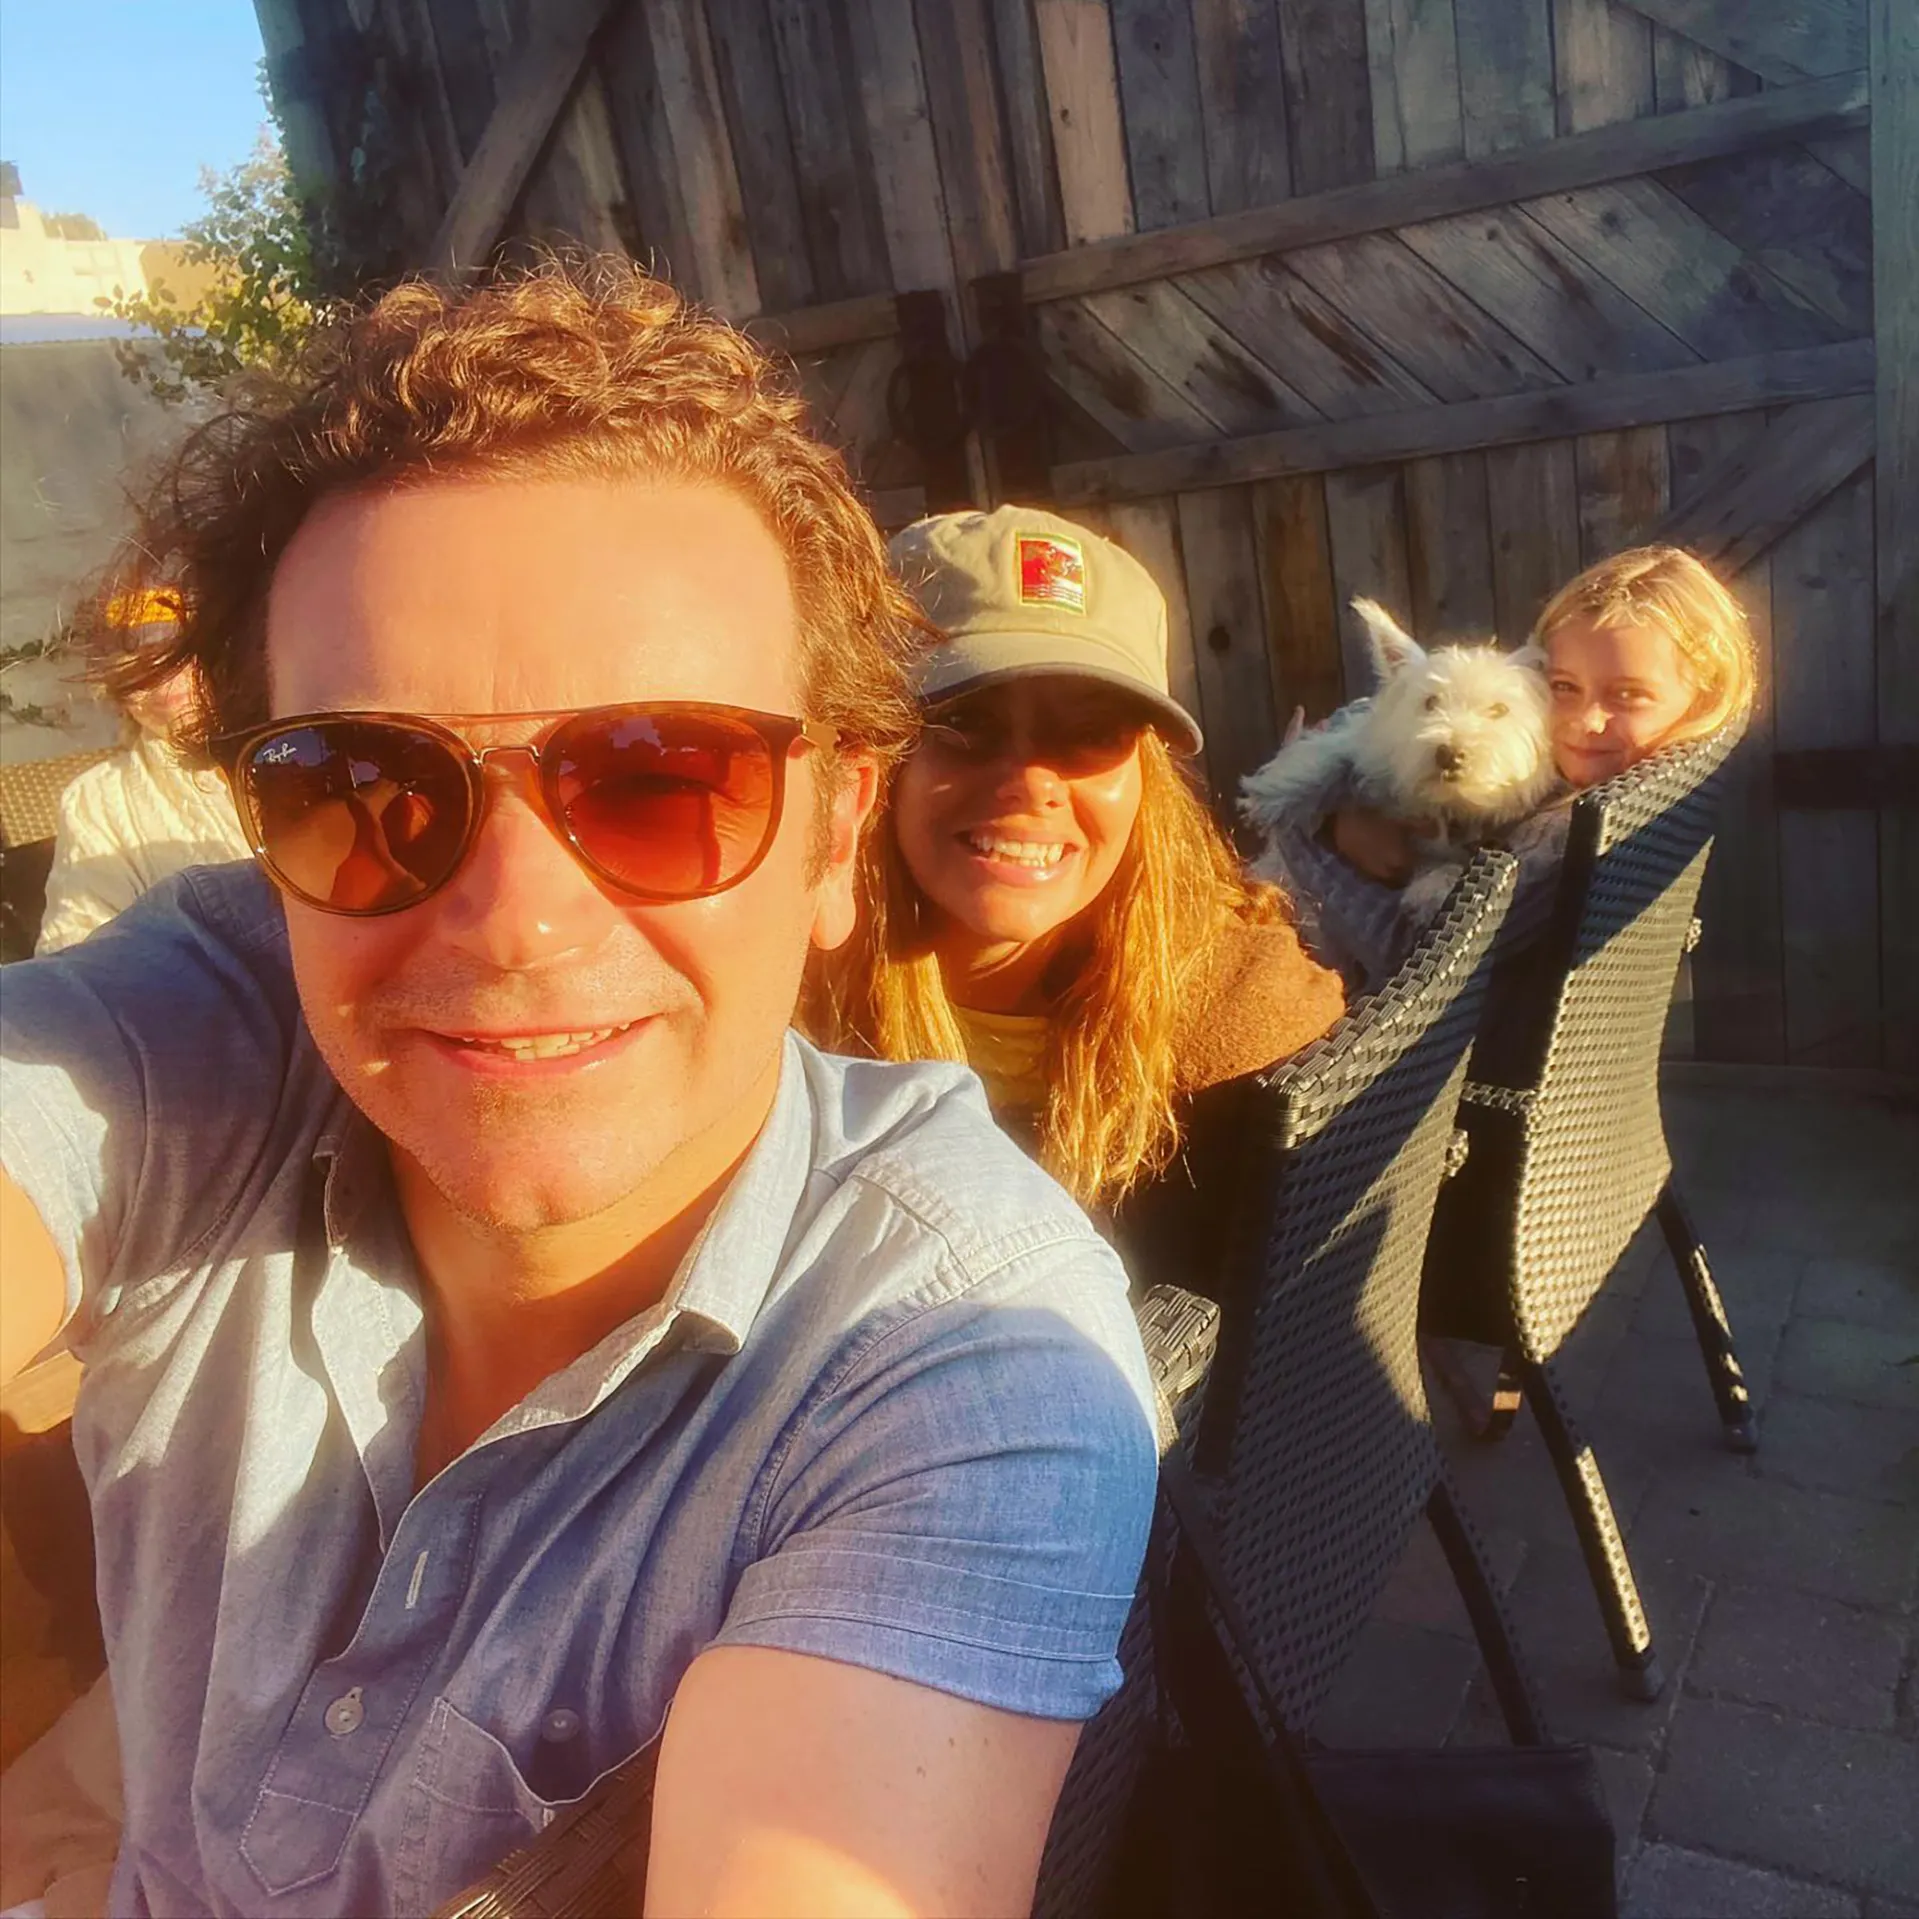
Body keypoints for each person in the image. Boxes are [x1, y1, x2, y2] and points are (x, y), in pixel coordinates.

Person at [0, 263, 1160, 1919]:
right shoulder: (220, 1020)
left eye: (660, 775)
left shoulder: (957, 1353)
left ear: (837, 834)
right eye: (363, 784)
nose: (512, 920)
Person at [810, 507, 1344, 1301]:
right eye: (963, 722)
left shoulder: (1243, 1018)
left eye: (1090, 733)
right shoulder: (781, 1013)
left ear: (1143, 778)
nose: (1030, 784)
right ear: (869, 757)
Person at [1271, 545, 1757, 990]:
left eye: (1629, 694)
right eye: (1564, 687)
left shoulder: (1566, 836)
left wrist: (1315, 834)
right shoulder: (1613, 787)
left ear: (1702, 698)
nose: (1585, 721)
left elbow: (1415, 961)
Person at [35, 591, 251, 955]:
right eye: (131, 669)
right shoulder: (98, 801)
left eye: (177, 654)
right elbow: (77, 948)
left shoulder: (299, 748)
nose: (159, 681)